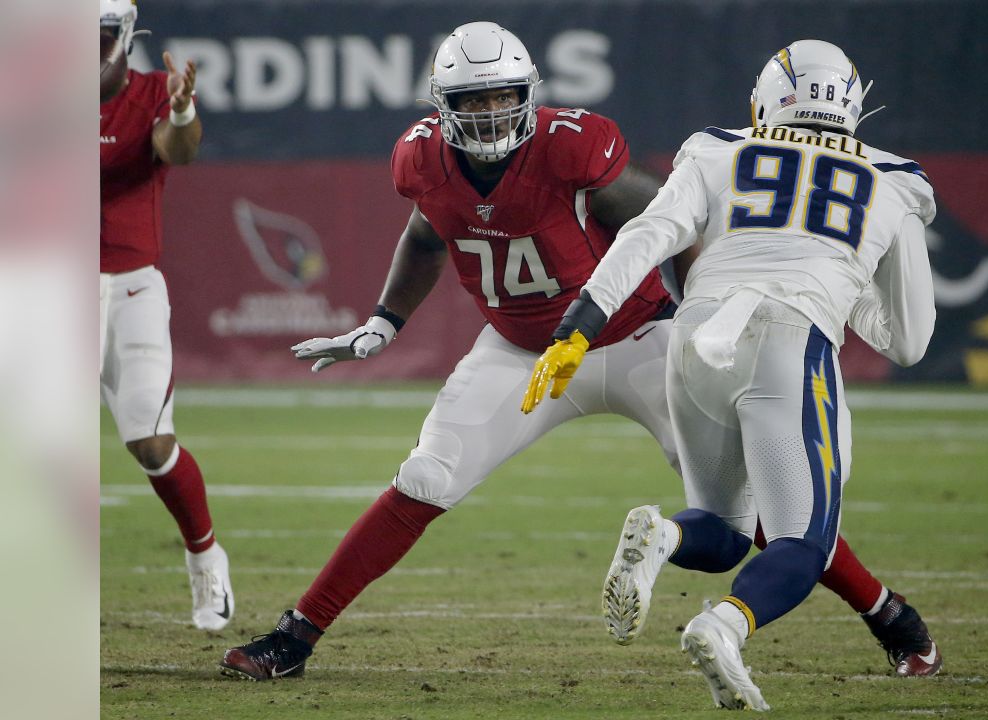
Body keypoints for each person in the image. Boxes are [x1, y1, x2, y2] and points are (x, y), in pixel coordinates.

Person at [220, 22, 934, 681]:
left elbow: (667, 227)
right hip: (518, 350)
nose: (494, 114)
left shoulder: (569, 145)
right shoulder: (421, 160)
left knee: (752, 518)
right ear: (444, 107)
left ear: (529, 96)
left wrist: (700, 315)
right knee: (425, 478)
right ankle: (296, 635)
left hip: (639, 338)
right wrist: (385, 321)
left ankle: (886, 614)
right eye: (475, 101)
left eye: (505, 98)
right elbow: (427, 232)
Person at [522, 39, 941, 709]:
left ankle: (662, 536)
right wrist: (840, 274)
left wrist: (579, 327)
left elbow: (649, 235)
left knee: (724, 534)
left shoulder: (717, 148)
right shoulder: (895, 178)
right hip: (788, 340)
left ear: (767, 98)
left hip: (695, 335)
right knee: (803, 547)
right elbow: (911, 341)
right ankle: (724, 626)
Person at [100, 0, 233, 630]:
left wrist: (182, 108)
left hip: (129, 290)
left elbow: (176, 151)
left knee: (151, 443)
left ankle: (205, 556)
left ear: (123, 36)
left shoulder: (153, 91)